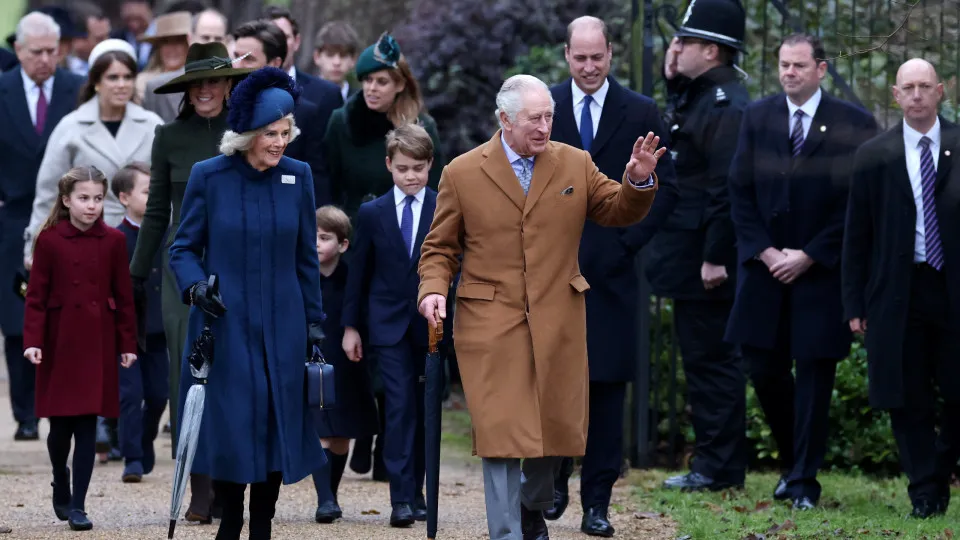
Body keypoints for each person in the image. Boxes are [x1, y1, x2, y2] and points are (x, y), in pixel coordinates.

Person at [417, 74, 663, 540]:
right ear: (505, 120)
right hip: (489, 320)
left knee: (553, 431)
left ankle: (534, 505)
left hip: (558, 317)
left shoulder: (574, 162)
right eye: (534, 118)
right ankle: (506, 533)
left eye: (549, 116)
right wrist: (432, 289)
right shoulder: (463, 172)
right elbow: (440, 248)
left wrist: (636, 179)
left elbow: (616, 210)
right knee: (501, 432)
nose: (544, 126)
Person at [168, 66, 326, 539]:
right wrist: (196, 288)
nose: (280, 142)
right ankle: (230, 518)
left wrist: (315, 325)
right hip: (226, 324)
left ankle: (262, 523)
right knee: (236, 424)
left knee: (278, 422)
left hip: (284, 324)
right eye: (270, 134)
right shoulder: (209, 176)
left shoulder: (298, 177)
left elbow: (306, 261)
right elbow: (182, 248)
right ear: (246, 135)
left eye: (285, 132)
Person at [726, 34, 878, 510]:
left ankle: (804, 482)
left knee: (815, 377)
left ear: (821, 69)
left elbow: (858, 204)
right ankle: (793, 463)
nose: (789, 72)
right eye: (783, 65)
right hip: (765, 271)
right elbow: (739, 190)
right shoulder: (757, 115)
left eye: (798, 65)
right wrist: (767, 253)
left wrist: (810, 254)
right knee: (763, 368)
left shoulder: (854, 123)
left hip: (820, 274)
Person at [546, 16, 679, 536]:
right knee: (554, 384)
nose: (588, 67)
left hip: (612, 275)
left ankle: (596, 502)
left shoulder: (641, 112)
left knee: (605, 393)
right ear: (566, 56)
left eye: (596, 57)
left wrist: (626, 246)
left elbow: (666, 191)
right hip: (551, 272)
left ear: (610, 54)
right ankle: (554, 478)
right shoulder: (544, 107)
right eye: (579, 58)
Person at [130, 40, 251, 524]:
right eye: (197, 82)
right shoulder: (168, 137)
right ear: (187, 89)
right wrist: (136, 275)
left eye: (214, 81)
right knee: (189, 374)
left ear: (228, 86)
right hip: (183, 272)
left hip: (237, 265)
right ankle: (198, 490)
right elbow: (157, 211)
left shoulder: (247, 133)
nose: (206, 89)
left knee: (233, 374)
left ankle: (230, 486)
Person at [842, 58, 960, 519]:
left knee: (956, 393)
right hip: (897, 291)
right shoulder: (874, 154)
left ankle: (939, 468)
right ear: (895, 95)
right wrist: (854, 302)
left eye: (924, 86)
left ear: (941, 91)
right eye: (907, 87)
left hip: (952, 290)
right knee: (906, 394)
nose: (916, 95)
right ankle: (924, 491)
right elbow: (857, 235)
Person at [646, 0, 751, 492]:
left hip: (705, 259)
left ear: (710, 51)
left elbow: (724, 188)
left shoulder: (727, 104)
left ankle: (718, 468)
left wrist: (714, 255)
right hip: (690, 254)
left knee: (712, 362)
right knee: (703, 359)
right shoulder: (705, 94)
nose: (675, 48)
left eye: (684, 42)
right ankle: (714, 463)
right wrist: (673, 80)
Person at [22, 165, 138, 531]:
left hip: (97, 341)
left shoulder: (114, 242)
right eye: (84, 198)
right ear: (67, 200)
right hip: (59, 341)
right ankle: (61, 477)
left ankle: (78, 505)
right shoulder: (50, 240)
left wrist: (127, 343)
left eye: (98, 199)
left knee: (88, 425)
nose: (91, 206)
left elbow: (124, 296)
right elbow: (36, 298)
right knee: (60, 429)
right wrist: (33, 342)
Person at [342, 123, 439, 526]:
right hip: (386, 326)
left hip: (431, 324)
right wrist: (350, 326)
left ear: (430, 165)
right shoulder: (372, 212)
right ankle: (400, 497)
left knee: (425, 408)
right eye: (403, 168)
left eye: (418, 167)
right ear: (388, 166)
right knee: (399, 407)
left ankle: (418, 492)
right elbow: (357, 273)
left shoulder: (443, 206)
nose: (411, 175)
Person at [0, 11, 84, 442]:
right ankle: (26, 413)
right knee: (18, 319)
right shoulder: (2, 89)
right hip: (11, 218)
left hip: (68, 217)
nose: (46, 59)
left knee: (67, 315)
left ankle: (65, 406)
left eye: (53, 51)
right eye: (37, 52)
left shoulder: (75, 90)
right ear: (19, 50)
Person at [23, 38, 163, 267]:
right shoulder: (71, 128)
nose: (122, 84)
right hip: (85, 242)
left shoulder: (152, 125)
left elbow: (167, 188)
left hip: (144, 243)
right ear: (96, 81)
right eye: (113, 77)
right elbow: (48, 194)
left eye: (128, 77)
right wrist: (35, 246)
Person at [324, 32, 445, 220]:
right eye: (367, 80)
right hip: (353, 232)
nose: (372, 88)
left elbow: (436, 190)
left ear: (400, 85)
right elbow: (328, 184)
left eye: (381, 82)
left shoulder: (422, 127)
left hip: (404, 228)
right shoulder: (342, 122)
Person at [310, 205, 380, 524]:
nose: (317, 243)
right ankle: (324, 499)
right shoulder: (301, 277)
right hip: (312, 362)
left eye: (324, 237)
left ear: (343, 244)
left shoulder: (352, 276)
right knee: (320, 430)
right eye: (312, 236)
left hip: (348, 362)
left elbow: (362, 314)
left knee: (341, 436)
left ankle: (332, 494)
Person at [111, 162, 170, 484]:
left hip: (158, 330)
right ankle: (131, 456)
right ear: (124, 197)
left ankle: (144, 440)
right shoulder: (115, 239)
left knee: (160, 395)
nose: (156, 195)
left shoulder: (167, 234)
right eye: (148, 191)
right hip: (126, 333)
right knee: (130, 395)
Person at [232, 19, 332, 206]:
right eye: (236, 57)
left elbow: (316, 181)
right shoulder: (225, 107)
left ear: (275, 63)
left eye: (248, 59)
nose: (237, 66)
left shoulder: (304, 113)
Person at [142, 8, 228, 122]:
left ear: (226, 41)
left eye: (218, 38)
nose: (211, 44)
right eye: (205, 37)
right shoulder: (155, 87)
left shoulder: (238, 87)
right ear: (190, 39)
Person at [262, 5, 344, 114]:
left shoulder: (327, 94)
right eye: (271, 37)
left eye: (285, 37)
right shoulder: (241, 92)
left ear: (296, 42)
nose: (279, 44)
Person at [134, 11, 189, 103]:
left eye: (179, 41)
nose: (172, 48)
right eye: (166, 42)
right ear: (159, 47)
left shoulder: (201, 81)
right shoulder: (143, 82)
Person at [313, 21, 361, 101]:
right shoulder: (302, 97)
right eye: (330, 55)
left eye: (343, 55)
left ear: (353, 59)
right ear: (317, 57)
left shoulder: (361, 102)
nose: (337, 62)